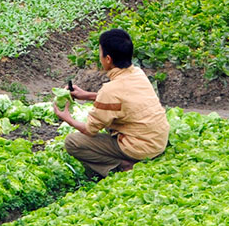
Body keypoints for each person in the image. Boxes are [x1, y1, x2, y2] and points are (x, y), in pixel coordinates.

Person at [55, 29, 170, 179]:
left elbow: (90, 130)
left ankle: (122, 165)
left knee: (72, 142)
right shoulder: (137, 73)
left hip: (140, 148)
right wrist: (87, 95)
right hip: (158, 141)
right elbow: (124, 101)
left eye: (100, 53)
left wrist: (67, 118)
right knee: (110, 123)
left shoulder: (110, 91)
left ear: (108, 59)